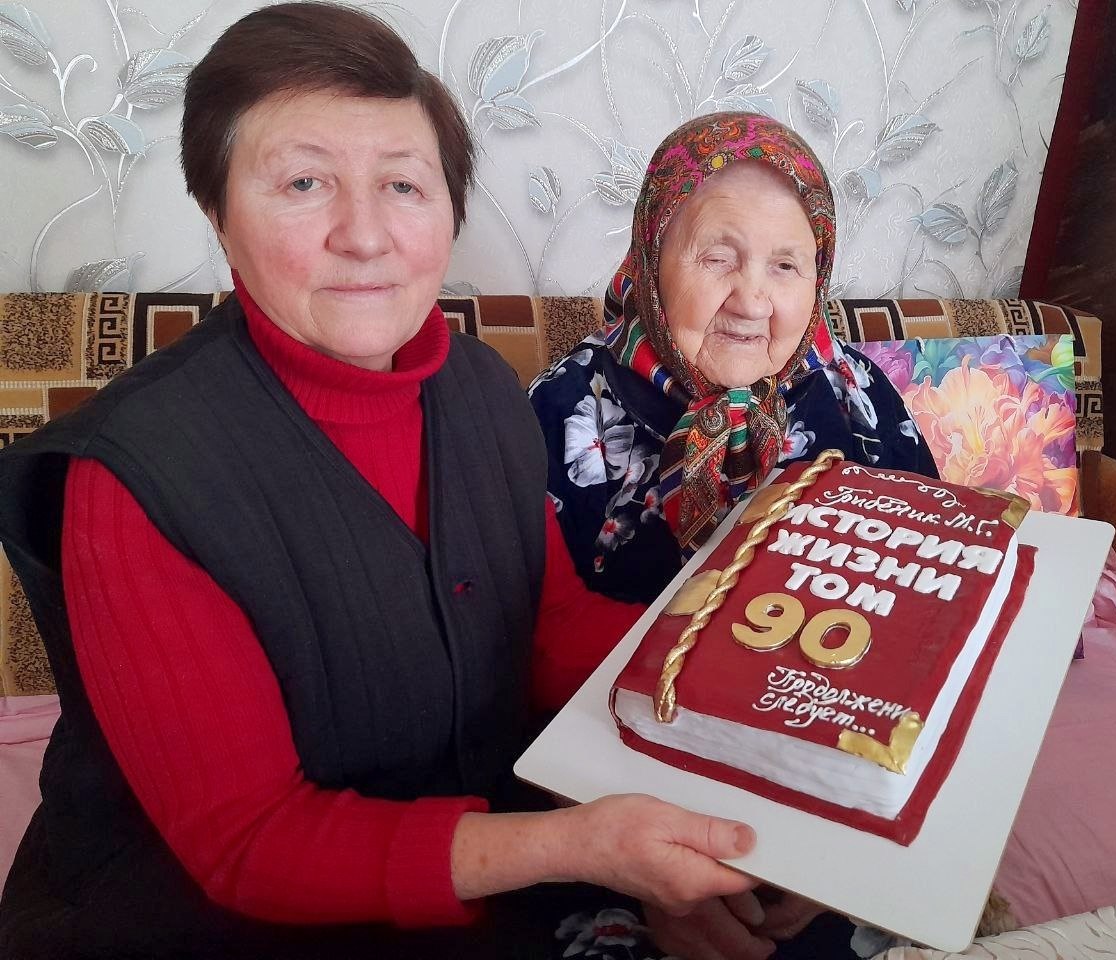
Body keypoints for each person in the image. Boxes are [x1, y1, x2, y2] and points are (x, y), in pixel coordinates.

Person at [0, 7, 765, 959]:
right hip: (202, 922)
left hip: (483, 866)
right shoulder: (133, 478)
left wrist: (739, 693)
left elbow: (546, 626)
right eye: (304, 183)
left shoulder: (483, 389)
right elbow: (248, 844)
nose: (364, 236)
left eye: (403, 184)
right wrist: (575, 846)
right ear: (218, 214)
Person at [531, 112, 937, 609]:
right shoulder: (558, 409)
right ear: (651, 261)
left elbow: (930, 572)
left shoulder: (858, 392)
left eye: (785, 265)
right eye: (717, 258)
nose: (750, 303)